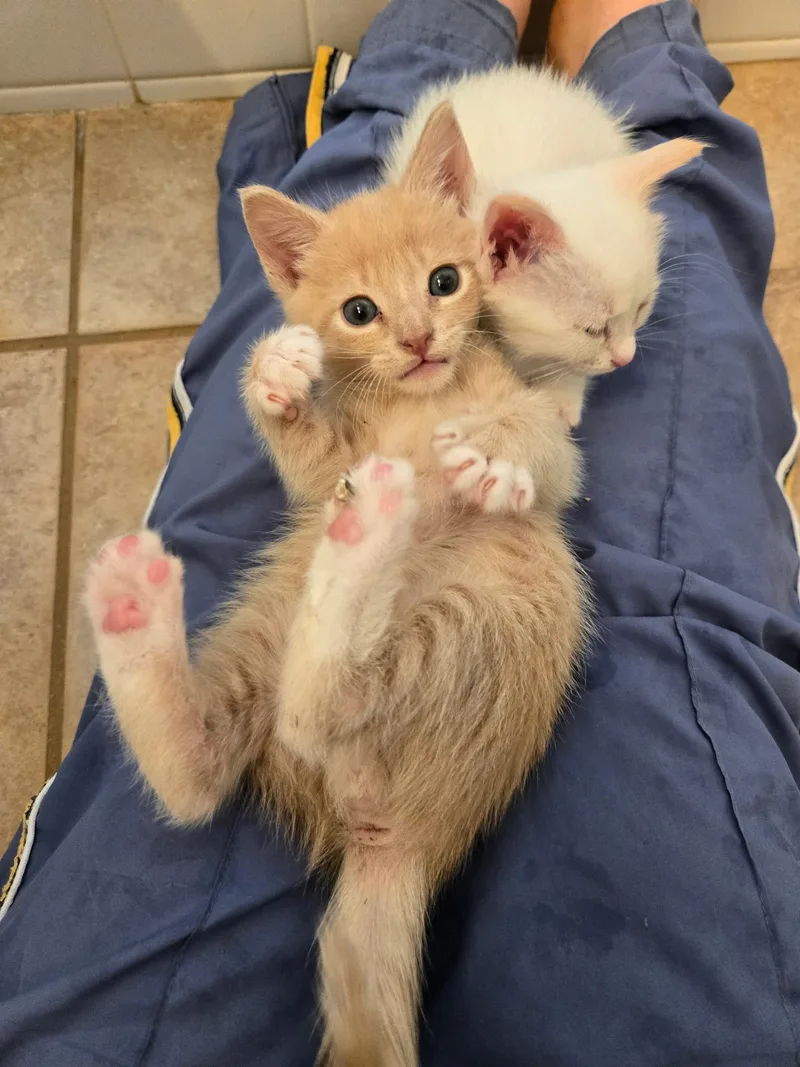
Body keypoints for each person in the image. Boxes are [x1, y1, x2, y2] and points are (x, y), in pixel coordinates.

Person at [2, 1, 799, 1063]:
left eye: (438, 282)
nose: (419, 332)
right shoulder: (360, 373)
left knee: (372, 574)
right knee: (331, 586)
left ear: (472, 239)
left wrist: (511, 451)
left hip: (388, 677)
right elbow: (323, 475)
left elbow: (545, 463)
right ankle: (641, 46)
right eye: (361, 314)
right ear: (302, 287)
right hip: (403, 706)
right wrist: (288, 402)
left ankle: (432, 33)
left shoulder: (480, 362)